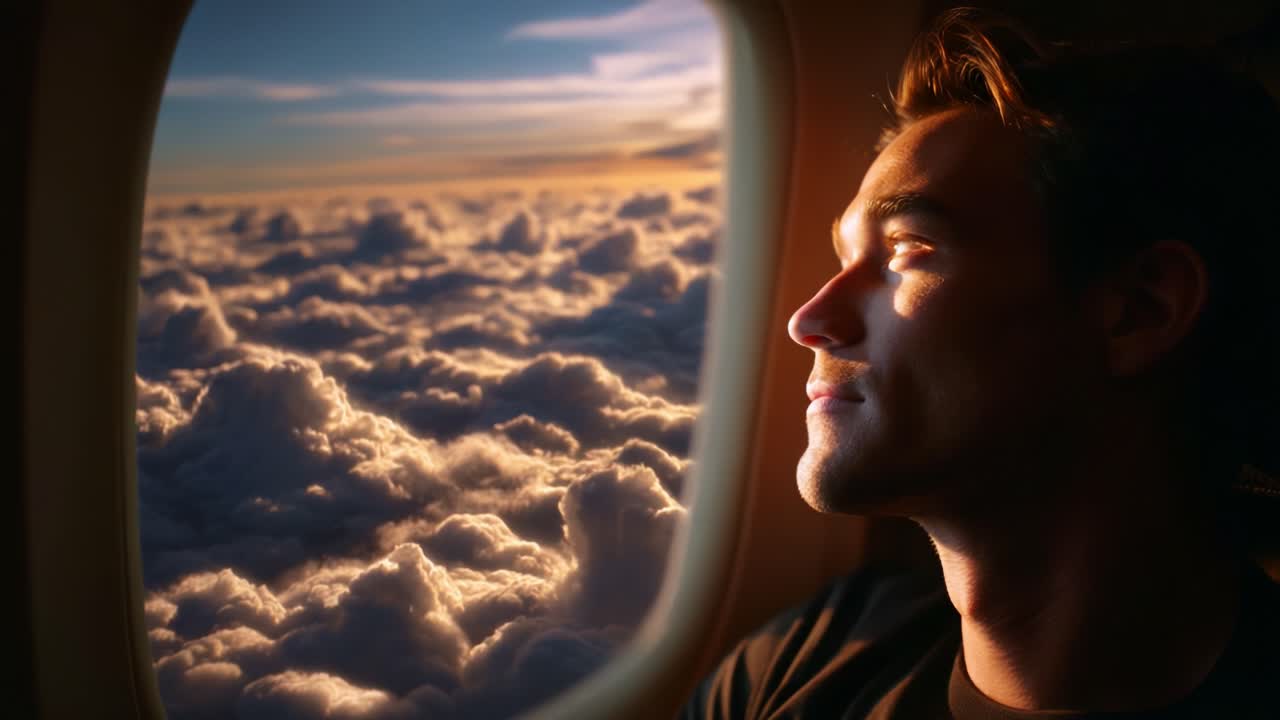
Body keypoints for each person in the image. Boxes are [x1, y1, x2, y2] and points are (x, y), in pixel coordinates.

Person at [681, 7, 1280, 719]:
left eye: (908, 251)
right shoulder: (793, 665)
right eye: (847, 256)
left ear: (1138, 312)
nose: (810, 321)